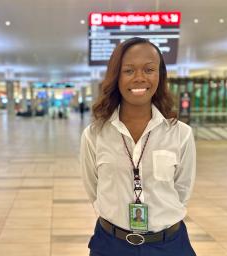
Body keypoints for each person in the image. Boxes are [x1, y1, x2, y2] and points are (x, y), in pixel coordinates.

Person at [80, 37, 196, 256]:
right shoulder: (94, 135)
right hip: (111, 245)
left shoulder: (180, 134)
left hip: (169, 245)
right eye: (129, 70)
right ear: (116, 77)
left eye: (149, 69)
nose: (140, 78)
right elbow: (93, 189)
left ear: (160, 76)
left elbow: (182, 192)